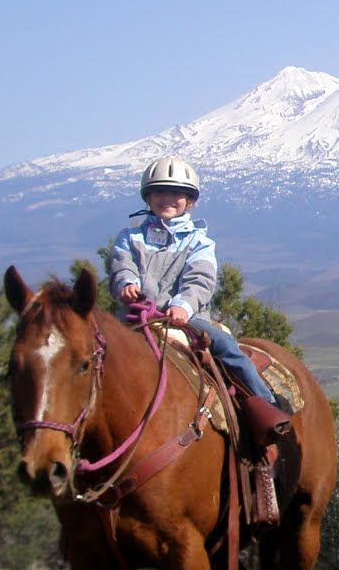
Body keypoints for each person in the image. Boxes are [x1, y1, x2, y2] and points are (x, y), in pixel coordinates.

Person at [108, 156, 293, 449]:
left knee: (227, 348)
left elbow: (201, 279)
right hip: (135, 317)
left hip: (184, 317)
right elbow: (122, 264)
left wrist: (183, 304)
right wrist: (126, 284)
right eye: (159, 192)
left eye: (176, 193)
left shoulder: (199, 242)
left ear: (190, 200)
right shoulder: (129, 237)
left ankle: (266, 406)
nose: (167, 199)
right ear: (148, 197)